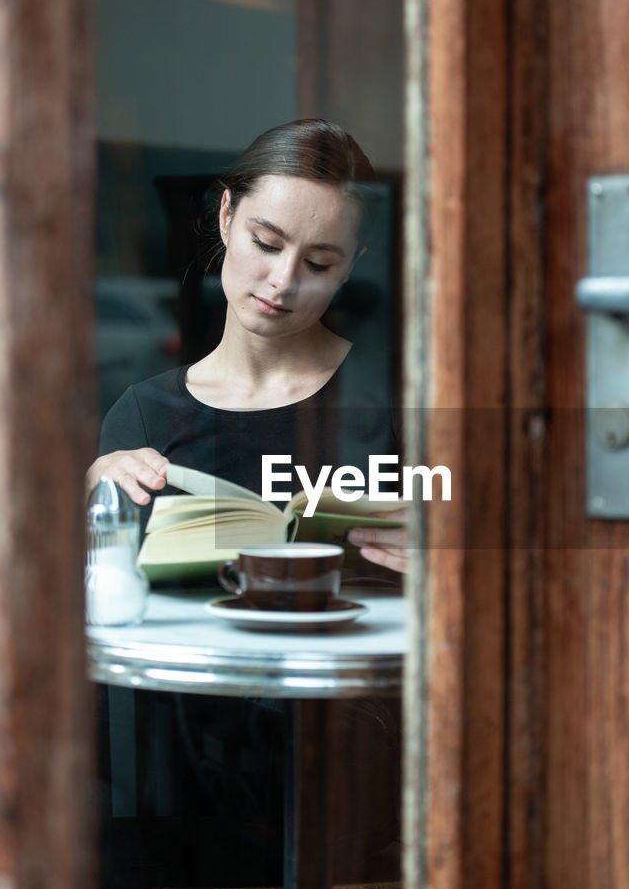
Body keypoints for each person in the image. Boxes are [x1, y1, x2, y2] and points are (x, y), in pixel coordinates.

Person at [86, 117, 407, 573]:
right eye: (265, 243)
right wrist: (98, 519)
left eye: (317, 264)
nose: (282, 282)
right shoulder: (143, 414)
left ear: (350, 265)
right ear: (225, 216)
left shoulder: (398, 400)